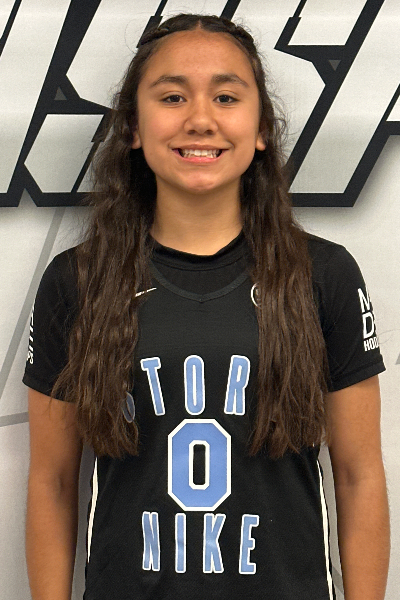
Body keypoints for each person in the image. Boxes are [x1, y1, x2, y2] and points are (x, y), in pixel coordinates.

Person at [23, 13, 389, 600]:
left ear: (261, 128)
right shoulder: (78, 280)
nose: (200, 119)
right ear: (134, 127)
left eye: (225, 97)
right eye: (172, 96)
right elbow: (53, 481)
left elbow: (358, 474)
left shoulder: (324, 275)